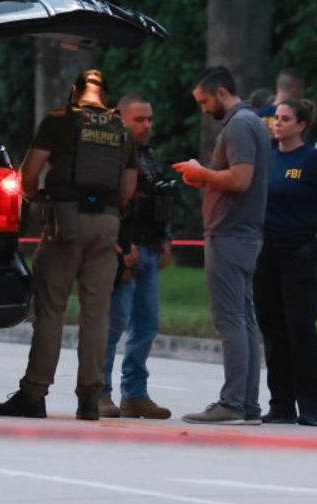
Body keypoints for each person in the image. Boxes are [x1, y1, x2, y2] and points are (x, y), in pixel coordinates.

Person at [0, 69, 138, 420]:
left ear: (75, 91)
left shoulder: (58, 120)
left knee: (51, 309)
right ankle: (90, 398)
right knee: (96, 312)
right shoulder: (121, 130)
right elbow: (128, 189)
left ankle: (34, 393)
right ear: (105, 94)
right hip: (107, 225)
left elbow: (30, 172)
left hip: (65, 223)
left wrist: (36, 198)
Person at [173, 66, 269, 424]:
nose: (203, 109)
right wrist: (206, 180)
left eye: (204, 101)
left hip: (230, 234)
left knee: (230, 320)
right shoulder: (252, 123)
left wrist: (202, 173)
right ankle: (248, 405)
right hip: (241, 233)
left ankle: (232, 403)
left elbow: (241, 179)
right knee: (244, 321)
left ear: (221, 92)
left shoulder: (241, 125)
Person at [256, 99, 317, 427]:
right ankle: (280, 403)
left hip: (300, 255)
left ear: (301, 125)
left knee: (300, 328)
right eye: (275, 118)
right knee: (272, 327)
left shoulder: (313, 160)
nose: (277, 124)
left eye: (285, 119)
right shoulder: (267, 157)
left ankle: (311, 405)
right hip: (267, 253)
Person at [99, 94, 174, 420]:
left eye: (150, 119)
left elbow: (157, 200)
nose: (147, 125)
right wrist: (118, 245)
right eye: (139, 119)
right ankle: (98, 391)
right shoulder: (110, 154)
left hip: (148, 248)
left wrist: (165, 239)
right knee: (113, 325)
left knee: (146, 324)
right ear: (121, 119)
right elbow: (107, 202)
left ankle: (135, 394)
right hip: (121, 250)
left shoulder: (147, 156)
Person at [256, 68, 305, 139]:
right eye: (301, 88)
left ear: (278, 86)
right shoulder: (298, 118)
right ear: (296, 88)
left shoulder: (257, 117)